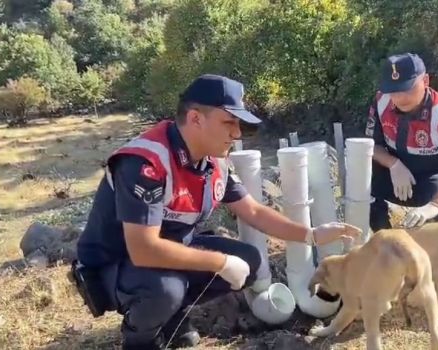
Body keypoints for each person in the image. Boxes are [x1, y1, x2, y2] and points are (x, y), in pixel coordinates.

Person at [73, 74, 360, 350]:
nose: (236, 134)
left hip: (169, 253)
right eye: (228, 123)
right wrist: (220, 262)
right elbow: (143, 250)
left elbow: (254, 212)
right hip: (116, 264)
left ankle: (172, 314)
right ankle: (140, 339)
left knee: (249, 261)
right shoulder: (145, 163)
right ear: (196, 118)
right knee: (166, 289)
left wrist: (310, 234)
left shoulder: (213, 162)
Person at [365, 53, 438, 231]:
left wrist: (434, 206)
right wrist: (393, 164)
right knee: (361, 172)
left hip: (435, 178)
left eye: (407, 88)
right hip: (398, 174)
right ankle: (383, 237)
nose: (400, 97)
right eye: (394, 90)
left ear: (425, 80)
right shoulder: (381, 102)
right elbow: (371, 146)